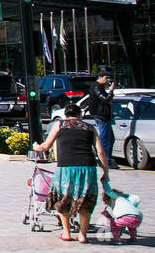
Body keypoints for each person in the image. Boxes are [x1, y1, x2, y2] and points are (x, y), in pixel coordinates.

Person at [32, 103, 108, 243]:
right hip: (87, 168)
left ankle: (66, 233)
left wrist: (36, 147)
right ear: (79, 115)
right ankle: (82, 235)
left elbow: (45, 146)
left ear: (66, 115)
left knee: (64, 198)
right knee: (86, 200)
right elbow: (101, 151)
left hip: (66, 168)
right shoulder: (90, 127)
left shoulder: (59, 125)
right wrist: (106, 173)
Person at [81, 71, 116, 168]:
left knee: (110, 139)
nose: (108, 80)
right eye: (106, 77)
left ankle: (108, 159)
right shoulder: (96, 87)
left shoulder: (100, 87)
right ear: (99, 78)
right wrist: (111, 90)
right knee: (104, 139)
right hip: (101, 116)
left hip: (105, 116)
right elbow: (106, 99)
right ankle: (104, 160)